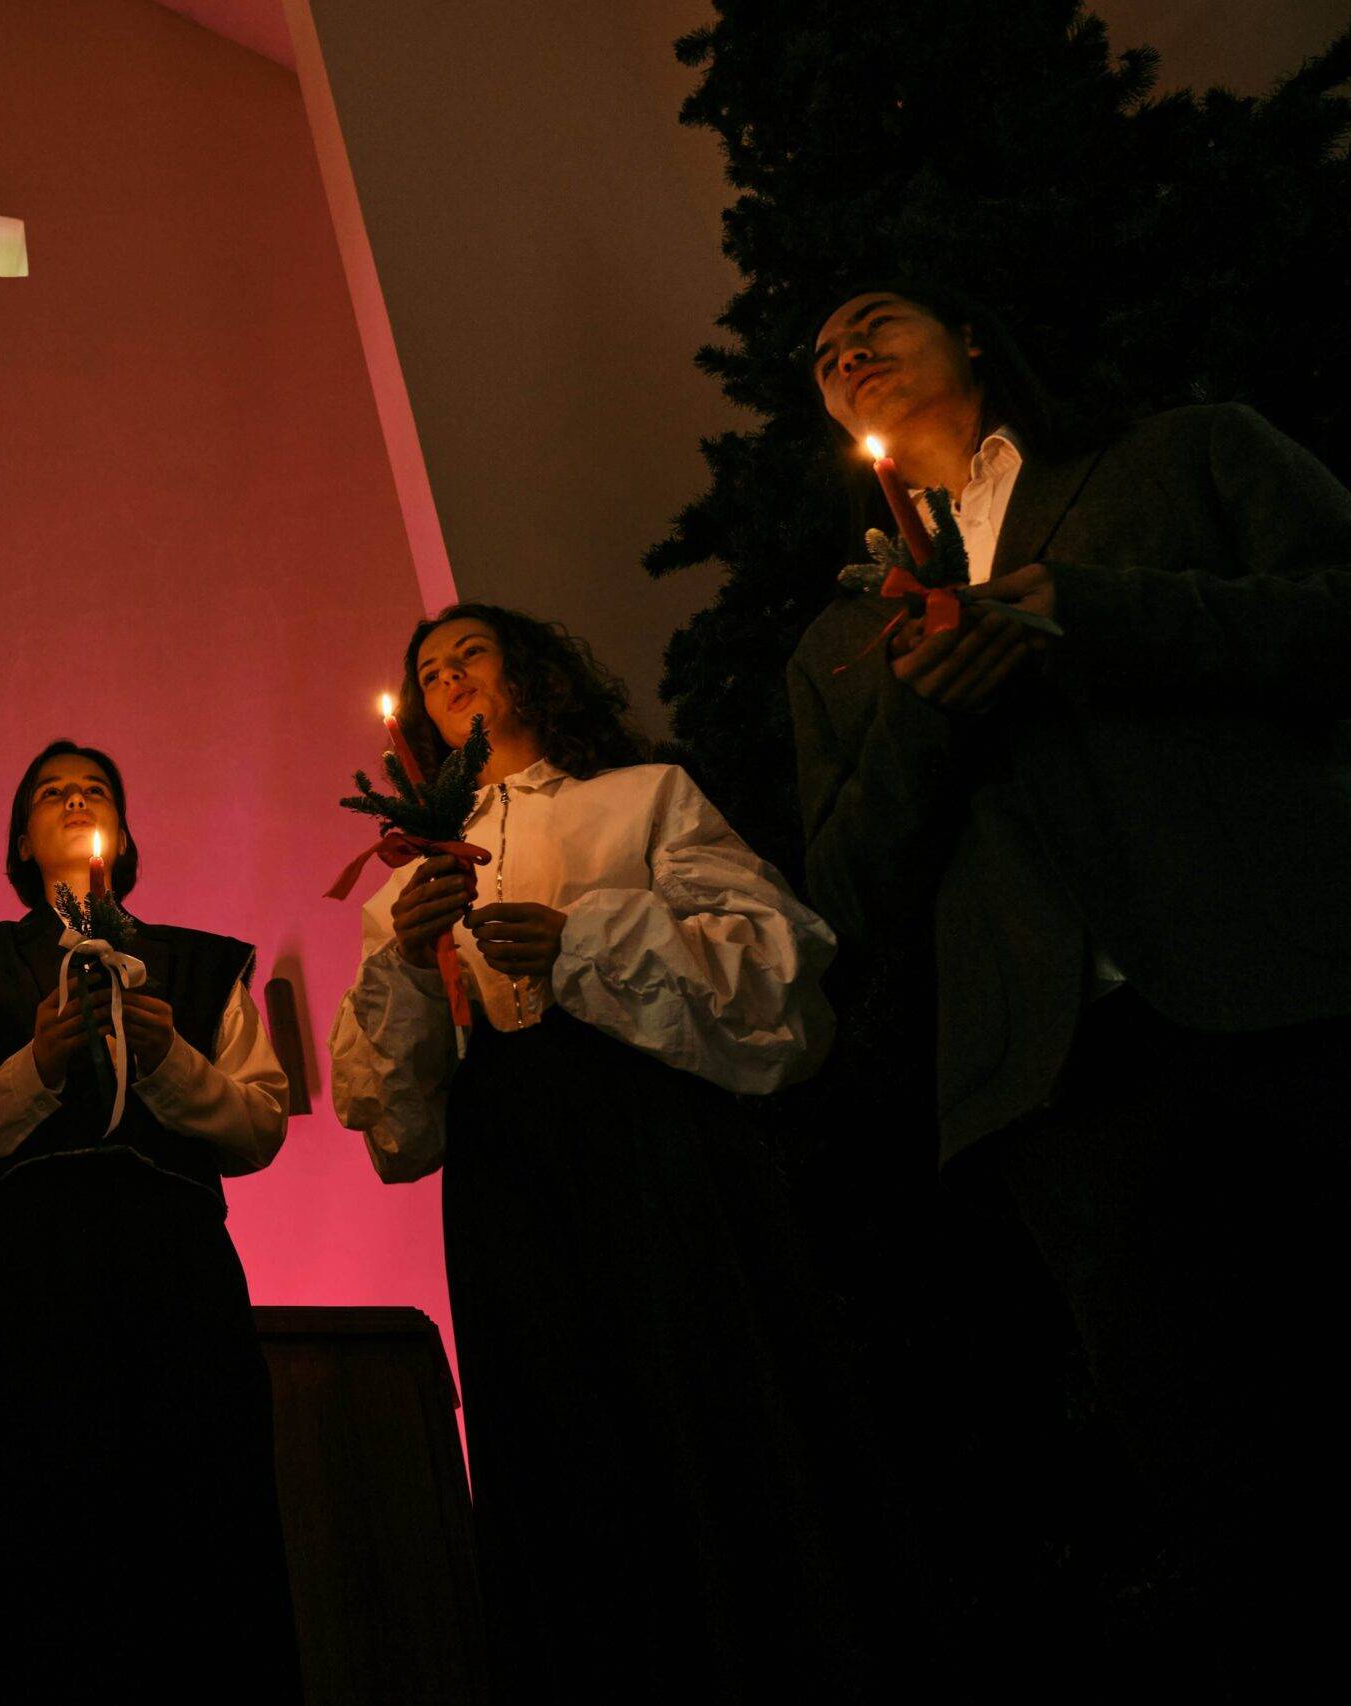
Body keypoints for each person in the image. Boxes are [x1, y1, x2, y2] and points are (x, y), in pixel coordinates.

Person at [793, 281, 1351, 1678]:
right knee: (1224, 1476)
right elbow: (846, 888)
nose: (846, 350)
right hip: (1061, 1092)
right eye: (823, 355)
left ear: (975, 334)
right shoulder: (838, 647)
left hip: (1285, 986)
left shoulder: (1181, 455)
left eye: (876, 318)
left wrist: (1095, 610)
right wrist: (924, 712)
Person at [331, 605, 880, 1699]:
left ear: (532, 673)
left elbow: (775, 967)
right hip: (508, 1177)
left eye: (470, 652)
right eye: (427, 671)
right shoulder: (402, 890)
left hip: (649, 1140)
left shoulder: (641, 799)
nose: (447, 675)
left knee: (696, 1402)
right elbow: (397, 1120)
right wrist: (408, 962)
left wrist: (580, 936)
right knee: (561, 1438)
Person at [0, 741, 303, 1702]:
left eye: (95, 790)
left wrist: (171, 1062)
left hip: (183, 1277)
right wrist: (31, 1067)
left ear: (123, 831)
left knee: (210, 1542)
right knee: (47, 1546)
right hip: (36, 1278)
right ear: (21, 843)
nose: (74, 800)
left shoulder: (202, 965)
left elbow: (259, 1126)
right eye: (51, 793)